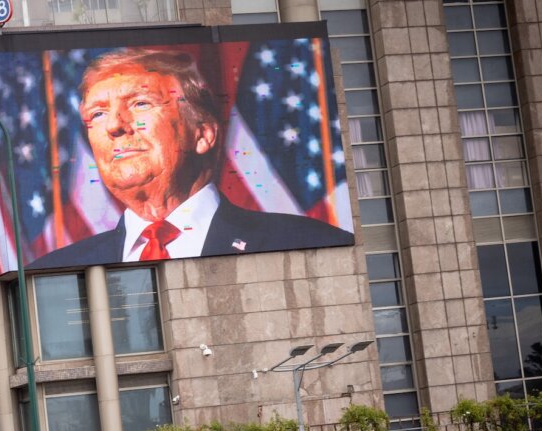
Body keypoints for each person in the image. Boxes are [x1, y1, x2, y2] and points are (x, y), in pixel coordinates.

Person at [29, 48, 352, 270]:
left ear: (203, 135)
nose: (114, 126)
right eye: (97, 114)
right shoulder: (55, 270)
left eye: (141, 104)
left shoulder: (308, 240)